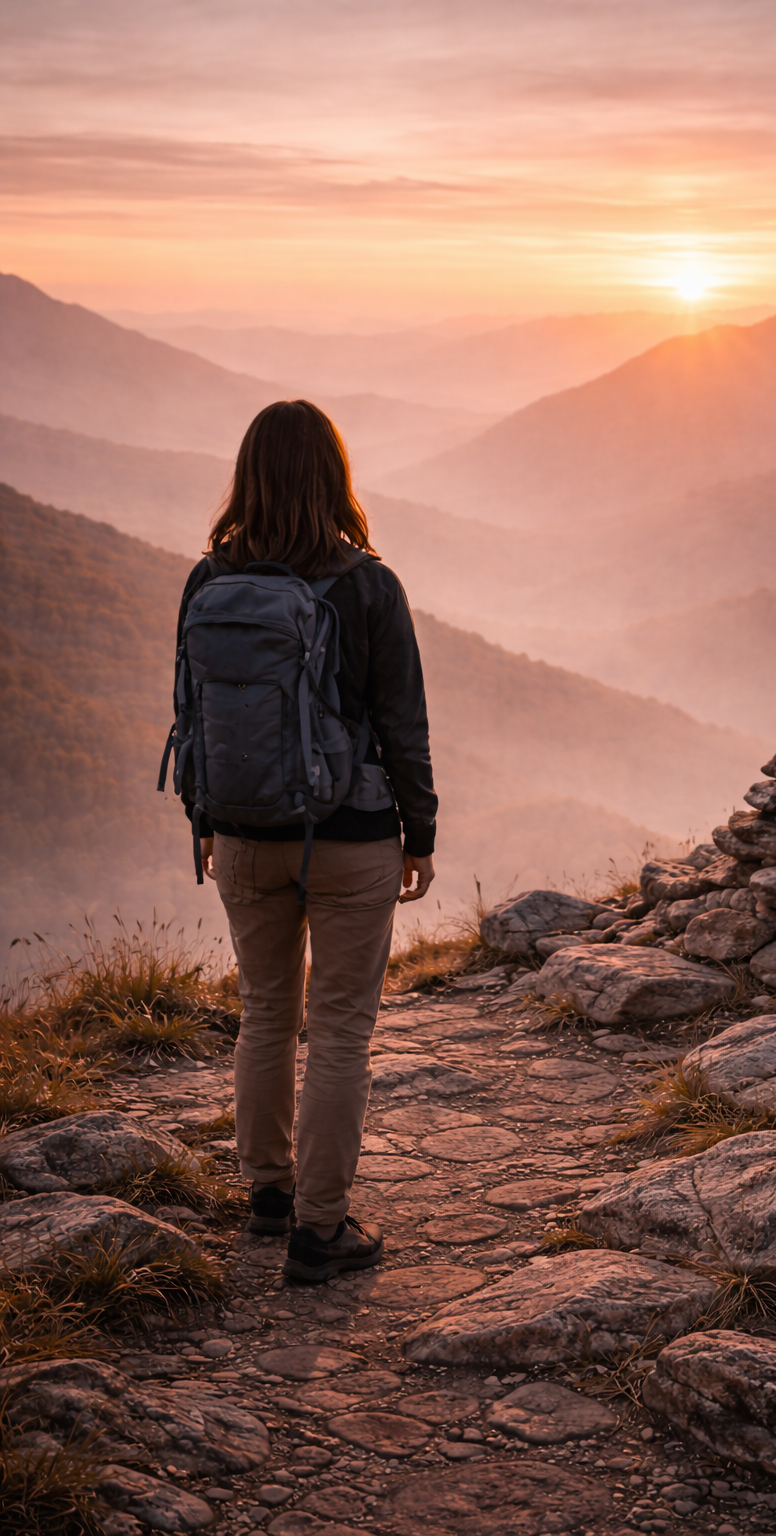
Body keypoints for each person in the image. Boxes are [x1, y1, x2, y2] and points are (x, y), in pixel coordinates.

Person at [172, 400, 437, 1282]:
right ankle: (321, 1234)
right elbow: (403, 722)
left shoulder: (209, 581)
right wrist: (419, 831)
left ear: (247, 474)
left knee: (265, 1013)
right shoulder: (367, 585)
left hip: (243, 834)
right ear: (335, 475)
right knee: (339, 1032)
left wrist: (204, 821)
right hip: (351, 835)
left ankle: (268, 1196)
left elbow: (192, 714)